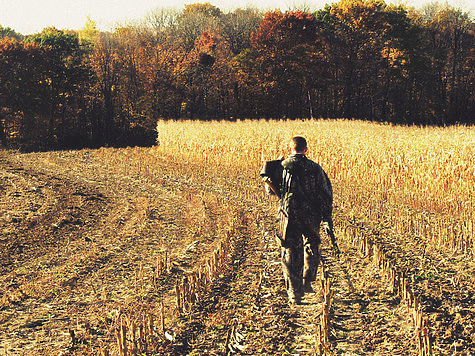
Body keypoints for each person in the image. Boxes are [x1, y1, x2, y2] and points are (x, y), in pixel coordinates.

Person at [275, 136, 335, 305]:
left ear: (290, 149)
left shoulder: (282, 167)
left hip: (289, 216)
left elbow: (270, 189)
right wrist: (326, 215)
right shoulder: (315, 168)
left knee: (290, 251)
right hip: (311, 215)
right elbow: (325, 192)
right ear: (306, 150)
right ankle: (308, 279)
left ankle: (295, 294)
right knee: (313, 243)